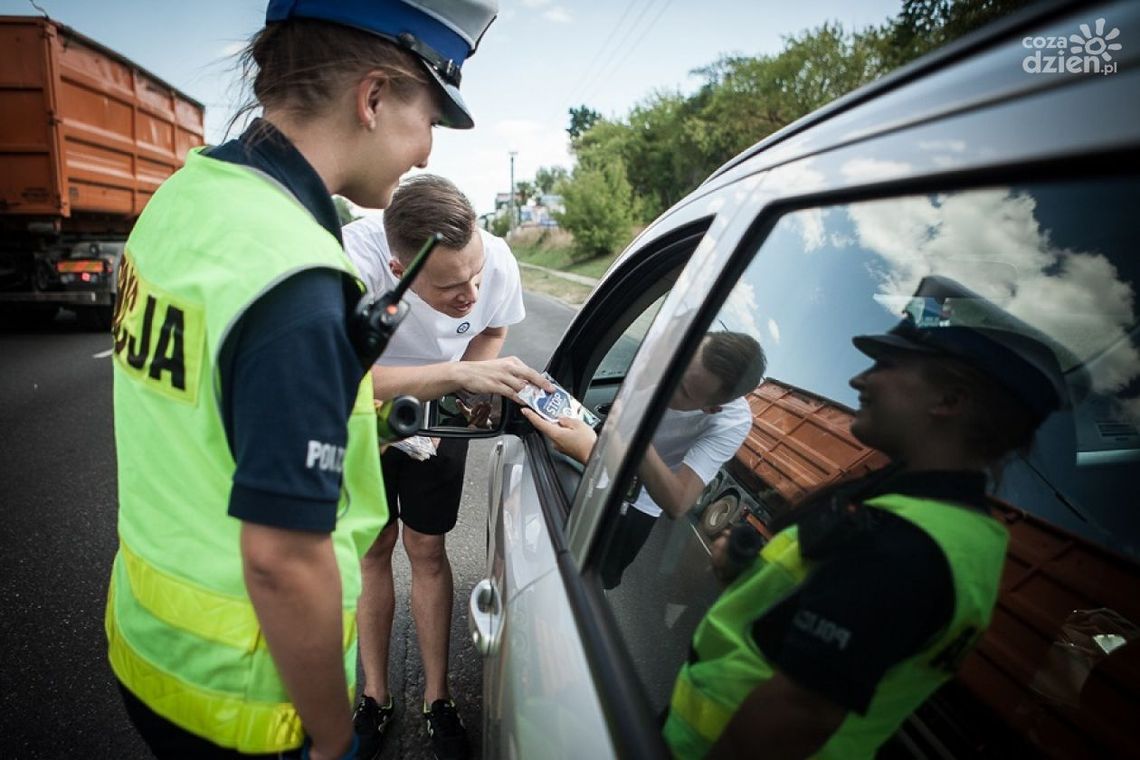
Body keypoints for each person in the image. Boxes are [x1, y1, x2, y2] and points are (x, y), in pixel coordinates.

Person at [104, 2, 499, 759]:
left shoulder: (186, 197)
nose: (424, 153)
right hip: (244, 697)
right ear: (373, 97)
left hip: (147, 647)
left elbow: (208, 409)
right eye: (431, 121)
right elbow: (284, 562)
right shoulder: (301, 279)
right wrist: (328, 736)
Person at [662, 281, 1068, 759]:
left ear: (950, 401)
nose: (859, 380)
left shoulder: (905, 547)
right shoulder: (950, 528)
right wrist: (747, 578)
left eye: (886, 364)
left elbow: (797, 714)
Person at [342, 174, 550, 760]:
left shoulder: (496, 261)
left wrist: (470, 388)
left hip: (440, 416)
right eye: (450, 285)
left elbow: (494, 328)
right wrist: (458, 376)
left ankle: (438, 697)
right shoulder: (346, 263)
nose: (471, 292)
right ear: (396, 268)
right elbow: (337, 372)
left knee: (427, 549)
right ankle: (376, 695)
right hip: (366, 413)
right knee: (373, 548)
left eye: (476, 275)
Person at [524, 331, 767, 588]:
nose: (665, 380)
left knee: (590, 582)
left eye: (682, 389)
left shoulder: (733, 421)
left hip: (636, 501)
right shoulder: (671, 342)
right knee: (541, 546)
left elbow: (678, 502)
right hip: (600, 448)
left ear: (710, 408)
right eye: (675, 364)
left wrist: (629, 440)